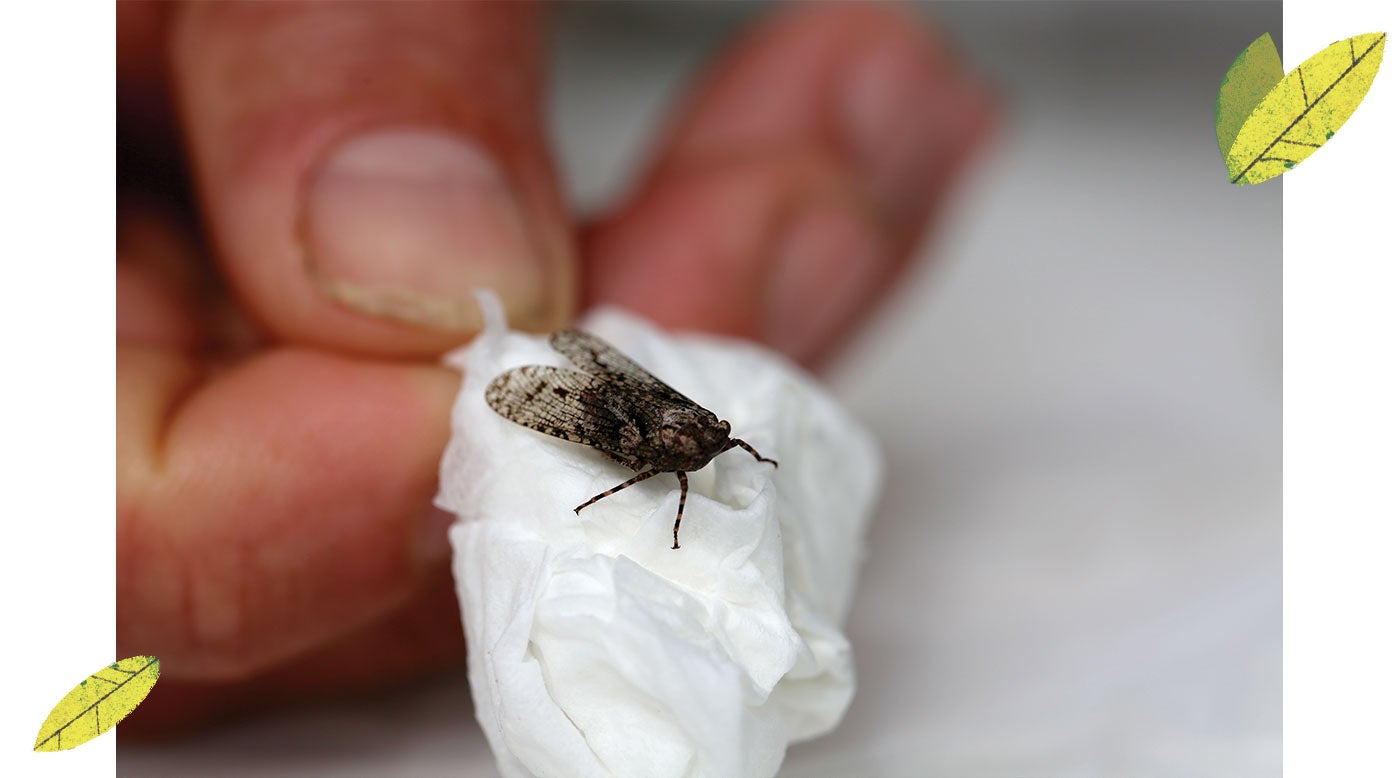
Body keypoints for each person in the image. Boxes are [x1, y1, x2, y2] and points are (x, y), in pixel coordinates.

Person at [116, 1, 995, 734]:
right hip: (605, 399)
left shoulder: (700, 442)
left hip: (617, 390)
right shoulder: (665, 445)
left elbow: (694, 447)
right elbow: (622, 441)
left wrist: (719, 447)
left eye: (712, 442)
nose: (712, 448)